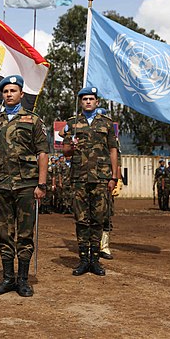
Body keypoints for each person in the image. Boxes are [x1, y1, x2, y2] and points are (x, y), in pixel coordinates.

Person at [0, 75, 48, 297]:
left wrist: (42, 184)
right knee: (4, 233)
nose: (9, 94)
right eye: (6, 91)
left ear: (21, 94)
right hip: (0, 184)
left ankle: (24, 280)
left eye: (13, 91)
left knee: (25, 233)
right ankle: (8, 279)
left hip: (27, 184)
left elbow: (43, 153)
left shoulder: (33, 120)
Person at [62, 86, 119, 276]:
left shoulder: (107, 124)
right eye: (84, 99)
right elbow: (65, 152)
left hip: (101, 178)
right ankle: (83, 259)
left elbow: (113, 150)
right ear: (80, 102)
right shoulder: (73, 123)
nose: (88, 101)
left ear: (97, 102)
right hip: (78, 177)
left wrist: (114, 176)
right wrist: (71, 145)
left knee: (98, 219)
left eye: (91, 99)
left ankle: (95, 260)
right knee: (81, 219)